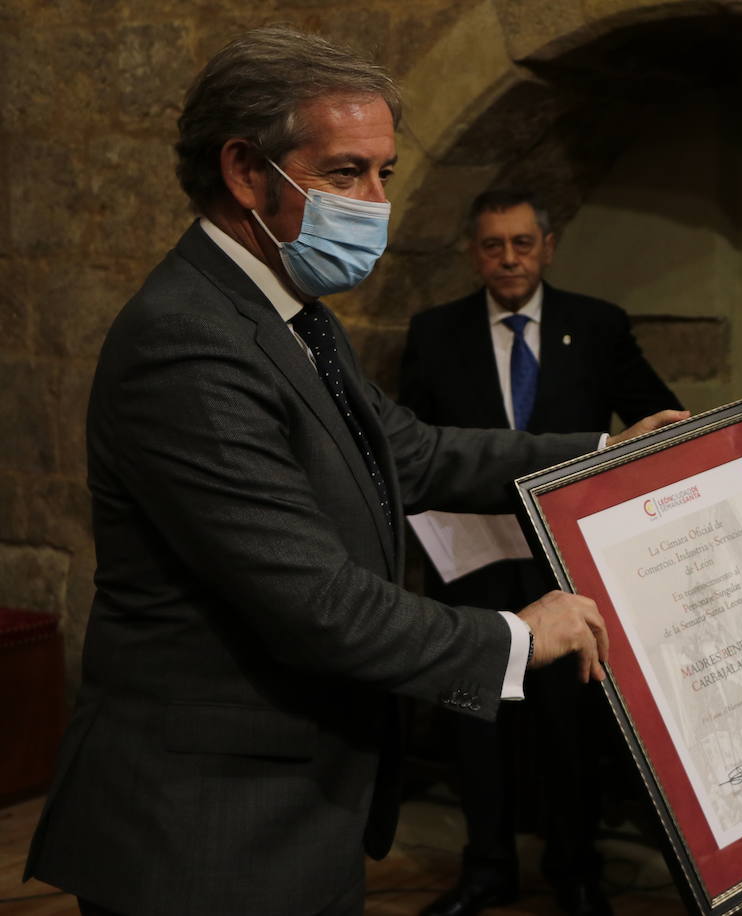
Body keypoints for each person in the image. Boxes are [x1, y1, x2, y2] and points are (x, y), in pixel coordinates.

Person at [22, 27, 683, 916]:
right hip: (207, 832)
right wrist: (518, 639)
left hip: (298, 806)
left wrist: (612, 455)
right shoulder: (187, 343)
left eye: (385, 173)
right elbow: (319, 603)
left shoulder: (291, 309)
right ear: (246, 171)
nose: (375, 202)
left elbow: (414, 451)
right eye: (345, 173)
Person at [400, 188, 683, 916]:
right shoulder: (434, 333)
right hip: (471, 572)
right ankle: (485, 869)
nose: (509, 259)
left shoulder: (596, 326)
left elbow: (656, 423)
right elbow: (410, 452)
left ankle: (576, 870)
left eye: (523, 243)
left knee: (570, 725)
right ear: (474, 253)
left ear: (547, 247)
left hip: (570, 573)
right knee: (473, 721)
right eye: (493, 245)